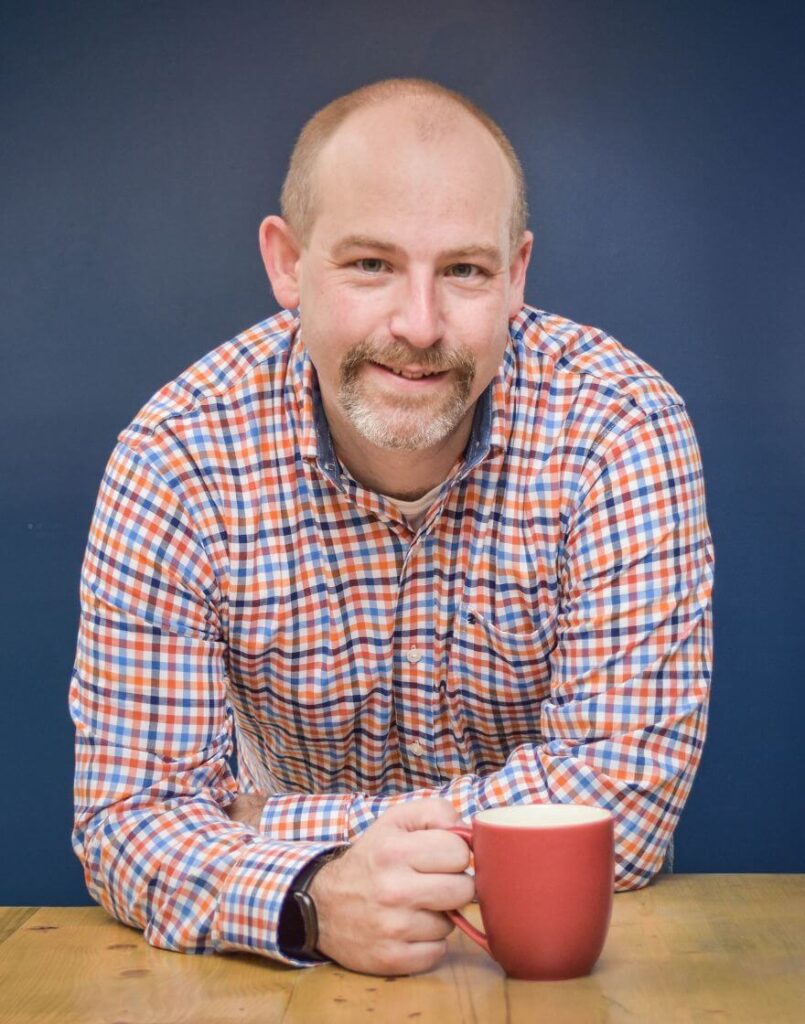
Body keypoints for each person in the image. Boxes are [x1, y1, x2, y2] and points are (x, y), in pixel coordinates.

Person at [70, 78, 714, 977]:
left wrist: (269, 830)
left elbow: (625, 810)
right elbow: (128, 818)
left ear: (516, 274)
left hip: (555, 978)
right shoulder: (177, 457)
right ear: (287, 263)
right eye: (371, 264)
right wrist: (309, 899)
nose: (418, 325)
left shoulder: (619, 428)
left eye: (464, 271)